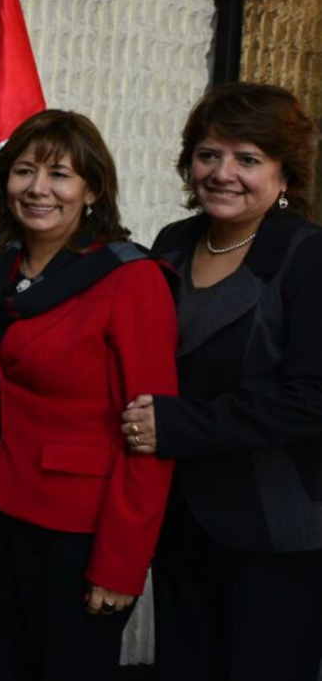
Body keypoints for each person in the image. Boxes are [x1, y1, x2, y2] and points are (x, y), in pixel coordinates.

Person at [0, 109, 177, 681]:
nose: (38, 188)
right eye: (24, 171)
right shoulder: (2, 270)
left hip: (77, 529)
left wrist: (121, 564)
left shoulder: (131, 278)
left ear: (92, 189)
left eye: (59, 174)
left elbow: (152, 434)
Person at [120, 83, 322, 681]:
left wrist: (179, 424)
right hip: (179, 515)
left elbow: (313, 399)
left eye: (248, 158)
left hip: (275, 528)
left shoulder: (307, 255)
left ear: (285, 174)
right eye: (209, 154)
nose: (222, 172)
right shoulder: (174, 243)